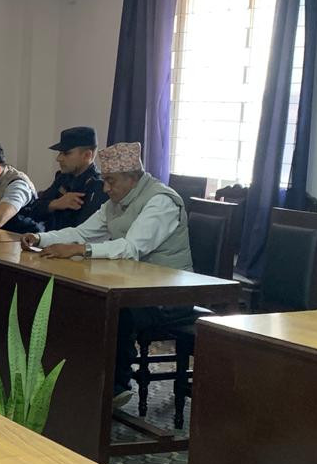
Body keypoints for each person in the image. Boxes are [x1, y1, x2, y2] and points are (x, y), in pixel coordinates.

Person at [19, 142, 192, 406]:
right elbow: (82, 233)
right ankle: (84, 381)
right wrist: (40, 238)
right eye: (105, 180)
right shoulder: (115, 202)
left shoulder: (161, 201)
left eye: (111, 181)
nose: (106, 188)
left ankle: (116, 386)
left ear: (132, 178)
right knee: (84, 301)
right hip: (132, 285)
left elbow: (131, 248)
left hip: (168, 294)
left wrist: (81, 250)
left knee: (115, 311)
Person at [19, 126, 108, 232]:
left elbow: (84, 232)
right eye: (60, 153)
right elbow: (32, 210)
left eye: (66, 153)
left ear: (87, 155)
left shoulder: (99, 186)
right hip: (48, 239)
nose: (59, 158)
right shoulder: (63, 177)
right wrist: (56, 204)